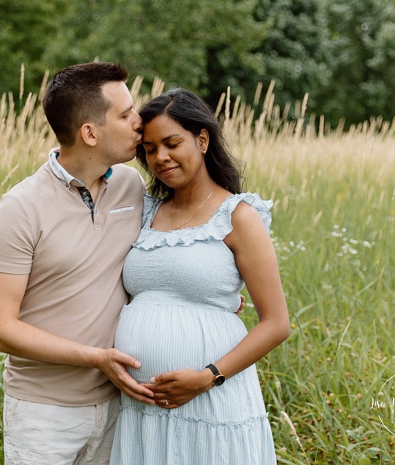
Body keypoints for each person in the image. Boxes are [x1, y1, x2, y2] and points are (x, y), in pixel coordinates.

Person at [0, 62, 156, 465]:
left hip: (118, 406)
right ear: (89, 133)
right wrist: (95, 357)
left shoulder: (131, 186)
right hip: (43, 415)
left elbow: (160, 254)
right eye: (125, 114)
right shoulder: (21, 207)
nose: (138, 121)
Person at [110, 88, 290, 464]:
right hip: (143, 411)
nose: (160, 157)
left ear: (202, 139)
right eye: (150, 148)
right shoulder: (143, 212)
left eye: (172, 143)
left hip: (213, 402)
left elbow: (276, 324)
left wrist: (208, 376)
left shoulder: (239, 216)